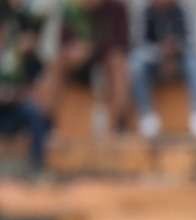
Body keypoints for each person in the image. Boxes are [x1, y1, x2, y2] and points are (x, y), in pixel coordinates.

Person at [46, 0, 130, 134]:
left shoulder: (117, 8)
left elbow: (122, 44)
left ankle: (118, 123)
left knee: (117, 61)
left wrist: (92, 48)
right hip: (78, 65)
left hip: (106, 63)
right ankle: (49, 122)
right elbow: (63, 42)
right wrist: (73, 51)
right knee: (58, 61)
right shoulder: (72, 8)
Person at [130, 0, 196, 139]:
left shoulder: (184, 8)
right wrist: (161, 52)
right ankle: (147, 117)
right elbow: (139, 43)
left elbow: (193, 42)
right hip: (154, 62)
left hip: (180, 61)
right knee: (136, 62)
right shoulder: (144, 10)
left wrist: (175, 50)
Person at [0, 14, 50, 171]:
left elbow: (36, 90)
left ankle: (36, 165)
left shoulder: (29, 60)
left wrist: (15, 94)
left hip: (13, 111)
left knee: (34, 112)